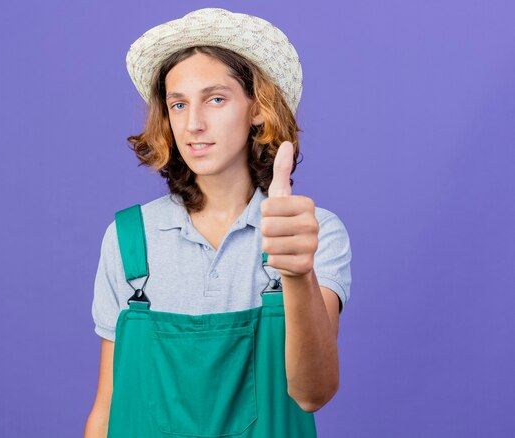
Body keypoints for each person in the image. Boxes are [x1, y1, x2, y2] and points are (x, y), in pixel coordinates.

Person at [84, 8, 352, 438]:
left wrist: (297, 274)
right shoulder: (129, 239)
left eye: (216, 98)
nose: (193, 124)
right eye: (178, 104)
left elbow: (313, 392)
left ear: (258, 110)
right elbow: (106, 409)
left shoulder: (312, 230)